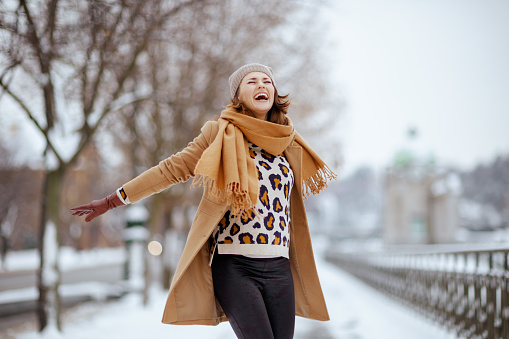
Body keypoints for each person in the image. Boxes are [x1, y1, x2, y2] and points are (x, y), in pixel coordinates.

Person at [71, 63, 336, 339]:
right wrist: (114, 199)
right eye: (252, 81)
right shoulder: (219, 134)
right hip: (236, 266)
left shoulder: (289, 142)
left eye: (267, 81)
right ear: (238, 96)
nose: (261, 85)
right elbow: (171, 169)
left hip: (281, 267)